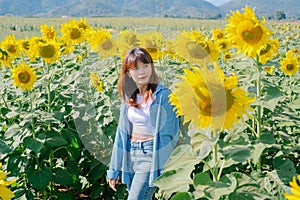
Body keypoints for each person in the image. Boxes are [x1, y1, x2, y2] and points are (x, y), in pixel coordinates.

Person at [106, 47, 180, 200]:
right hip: (131, 155)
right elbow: (121, 134)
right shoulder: (128, 97)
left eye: (145, 66)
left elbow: (169, 136)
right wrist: (113, 170)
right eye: (136, 68)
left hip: (151, 155)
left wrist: (165, 173)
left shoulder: (163, 96)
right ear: (128, 73)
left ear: (152, 67)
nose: (142, 72)